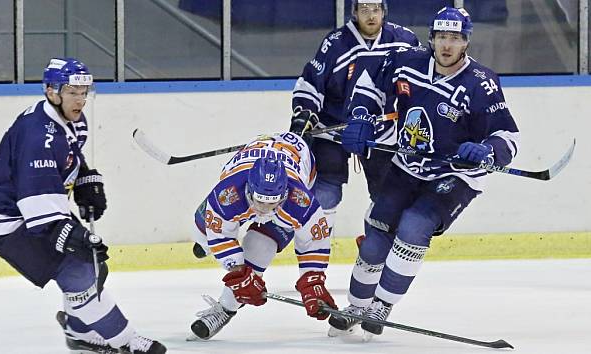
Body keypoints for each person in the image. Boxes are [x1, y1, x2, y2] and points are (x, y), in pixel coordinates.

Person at [330, 7, 520, 339]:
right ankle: (358, 306)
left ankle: (382, 304)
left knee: (414, 225)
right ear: (432, 38)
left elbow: (508, 137)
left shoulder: (481, 83)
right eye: (442, 37)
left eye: (456, 38)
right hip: (405, 166)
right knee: (374, 241)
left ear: (466, 42)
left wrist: (487, 150)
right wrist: (361, 115)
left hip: (454, 175)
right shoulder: (408, 62)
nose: (448, 45)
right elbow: (369, 84)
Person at [0, 57, 166, 354]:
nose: (80, 100)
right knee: (78, 273)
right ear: (52, 92)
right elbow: (37, 204)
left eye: (84, 92)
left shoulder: (69, 119)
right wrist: (72, 236)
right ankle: (126, 341)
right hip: (12, 222)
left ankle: (78, 331)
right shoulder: (37, 136)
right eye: (72, 93)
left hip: (34, 210)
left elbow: (66, 158)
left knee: (92, 268)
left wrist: (83, 178)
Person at [289, 0, 420, 242]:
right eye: (364, 10)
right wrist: (304, 113)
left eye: (376, 10)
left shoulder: (405, 40)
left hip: (380, 129)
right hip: (333, 128)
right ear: (354, 12)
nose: (371, 16)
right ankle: (315, 254)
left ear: (384, 11)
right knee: (326, 193)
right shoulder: (337, 42)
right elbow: (311, 82)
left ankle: (373, 247)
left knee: (388, 197)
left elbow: (420, 80)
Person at [188, 132, 337, 340]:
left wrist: (313, 282)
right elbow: (220, 234)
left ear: (285, 193)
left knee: (260, 247)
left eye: (272, 202)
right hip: (249, 166)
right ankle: (203, 245)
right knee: (202, 230)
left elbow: (315, 241)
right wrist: (239, 273)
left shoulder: (301, 201)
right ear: (249, 188)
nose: (265, 209)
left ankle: (225, 309)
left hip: (299, 160)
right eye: (260, 201)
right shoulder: (228, 193)